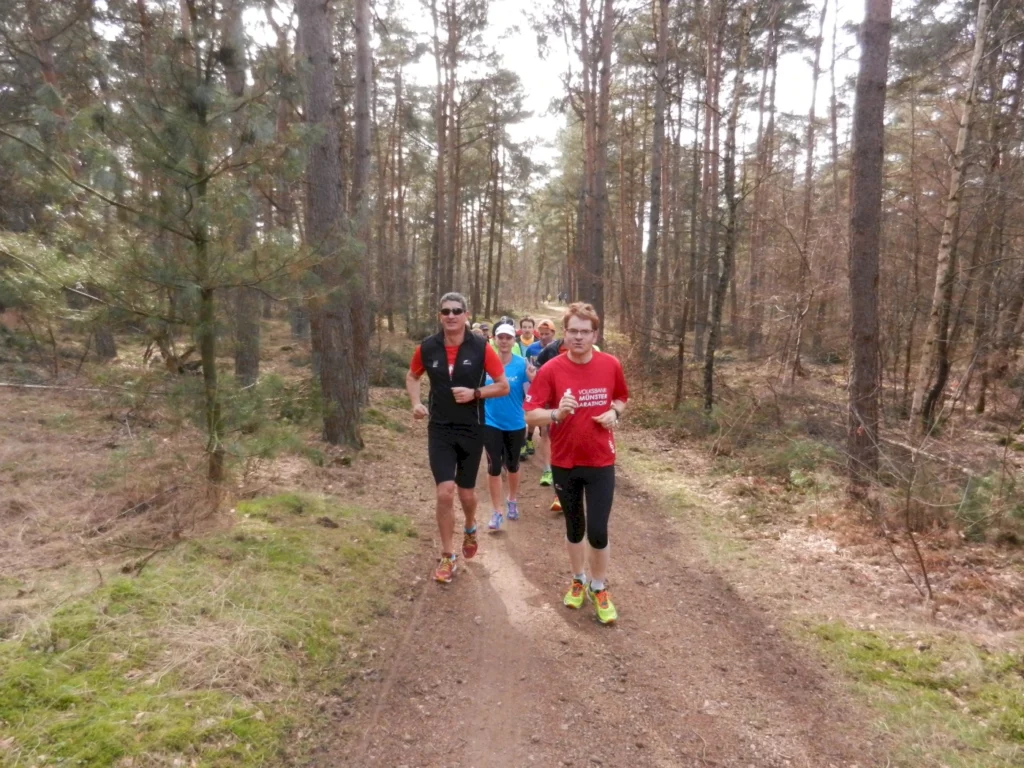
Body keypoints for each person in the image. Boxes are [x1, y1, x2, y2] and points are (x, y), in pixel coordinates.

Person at [524, 303, 628, 625]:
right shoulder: (551, 370)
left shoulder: (610, 365)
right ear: (564, 334)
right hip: (565, 462)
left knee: (598, 530)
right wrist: (556, 414)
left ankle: (599, 586)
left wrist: (616, 413)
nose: (579, 337)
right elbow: (530, 413)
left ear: (594, 334)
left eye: (585, 332)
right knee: (575, 527)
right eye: (573, 331)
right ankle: (578, 579)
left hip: (600, 461)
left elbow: (622, 398)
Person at [406, 292, 509, 583]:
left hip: (471, 428)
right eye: (445, 311)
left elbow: (502, 386)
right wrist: (415, 403)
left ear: (466, 314)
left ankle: (470, 526)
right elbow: (413, 376)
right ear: (440, 315)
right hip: (439, 428)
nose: (451, 316)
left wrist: (475, 393)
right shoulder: (427, 347)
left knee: (466, 494)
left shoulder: (481, 347)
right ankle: (448, 556)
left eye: (456, 311)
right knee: (444, 492)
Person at [483, 324, 533, 531]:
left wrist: (533, 378)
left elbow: (532, 394)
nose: (504, 341)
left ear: (514, 341)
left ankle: (512, 499)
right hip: (490, 421)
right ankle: (497, 511)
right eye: (500, 337)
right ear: (494, 339)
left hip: (515, 422)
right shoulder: (486, 364)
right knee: (494, 466)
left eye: (508, 338)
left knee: (512, 466)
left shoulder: (522, 365)